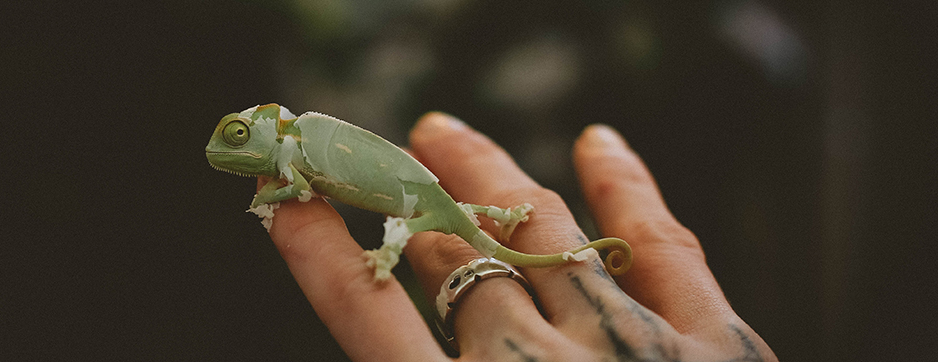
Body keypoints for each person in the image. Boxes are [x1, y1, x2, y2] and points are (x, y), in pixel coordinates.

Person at [258, 112, 777, 361]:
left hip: (423, 205)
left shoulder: (289, 150)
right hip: (438, 201)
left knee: (412, 228)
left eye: (241, 134)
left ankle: (393, 251)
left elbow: (299, 189)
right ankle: (491, 216)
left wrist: (384, 255)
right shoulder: (291, 141)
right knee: (443, 222)